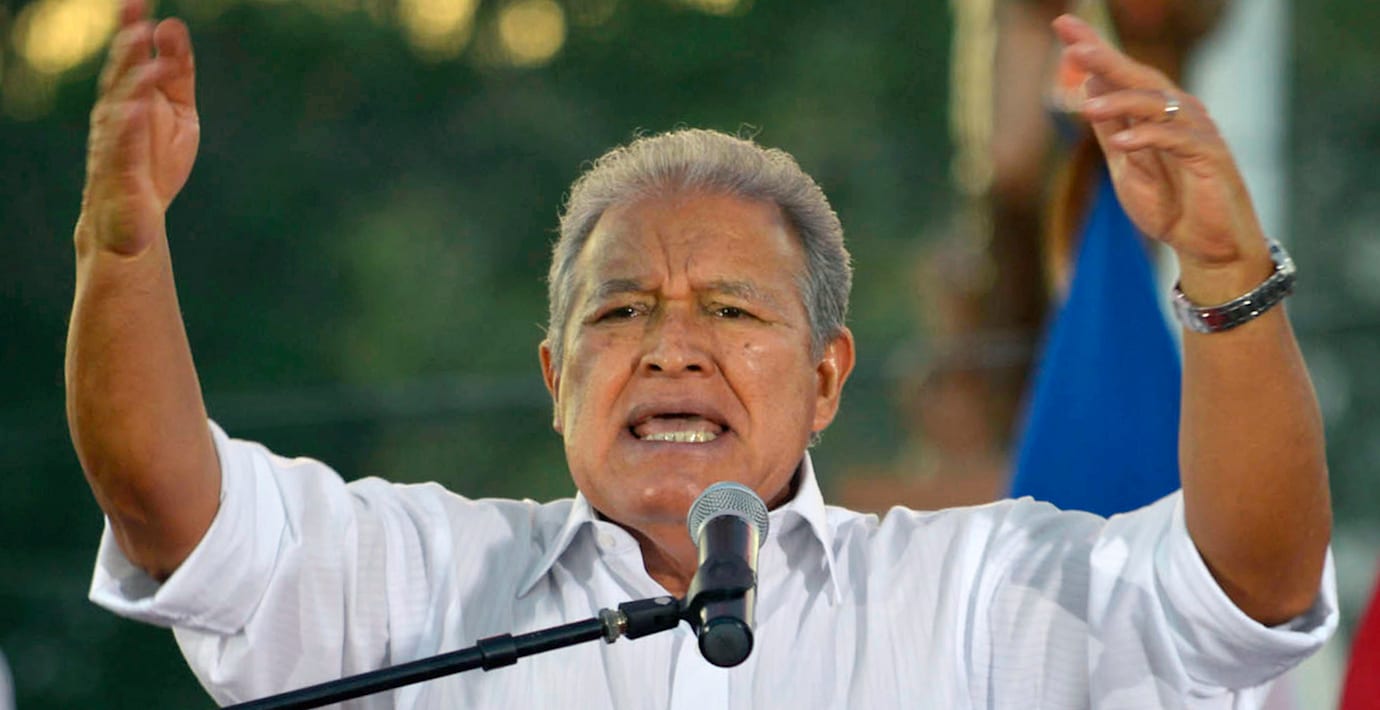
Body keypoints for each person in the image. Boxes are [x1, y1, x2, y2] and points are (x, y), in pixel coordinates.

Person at [71, 0, 1336, 706]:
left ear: (828, 376)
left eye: (732, 311)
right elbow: (167, 502)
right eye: (620, 312)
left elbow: (1250, 586)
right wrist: (121, 249)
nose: (672, 345)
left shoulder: (968, 595)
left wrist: (1228, 279)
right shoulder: (426, 586)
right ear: (557, 378)